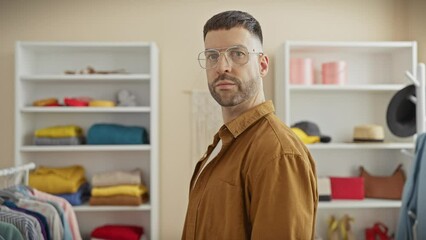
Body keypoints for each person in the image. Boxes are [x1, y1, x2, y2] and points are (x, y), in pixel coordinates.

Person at [182, 10, 318, 240]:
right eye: (212, 56)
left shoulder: (279, 154)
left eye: (237, 54)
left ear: (263, 65)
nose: (222, 66)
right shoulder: (223, 142)